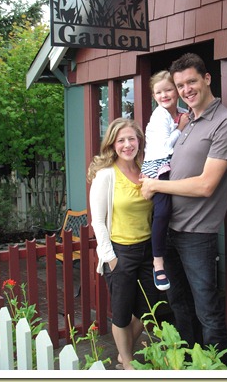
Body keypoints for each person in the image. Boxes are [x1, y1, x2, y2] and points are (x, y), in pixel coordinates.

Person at [140, 53, 227, 365]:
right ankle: (188, 365)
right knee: (179, 303)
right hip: (169, 230)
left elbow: (205, 185)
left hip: (197, 234)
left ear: (207, 79)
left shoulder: (226, 122)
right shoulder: (184, 123)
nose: (185, 89)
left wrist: (156, 185)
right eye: (180, 84)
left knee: (207, 309)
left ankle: (217, 368)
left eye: (191, 82)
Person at [88, 118, 158, 370]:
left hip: (148, 250)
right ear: (113, 145)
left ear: (139, 141)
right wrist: (111, 258)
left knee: (152, 306)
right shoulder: (106, 176)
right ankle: (127, 364)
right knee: (121, 310)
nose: (127, 144)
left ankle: (123, 352)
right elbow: (97, 221)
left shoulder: (146, 171)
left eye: (131, 139)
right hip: (120, 252)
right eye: (121, 140)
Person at [141, 71, 189, 291]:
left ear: (177, 91)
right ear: (154, 96)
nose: (164, 95)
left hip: (171, 165)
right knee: (162, 209)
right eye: (159, 92)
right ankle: (157, 261)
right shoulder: (160, 116)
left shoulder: (181, 111)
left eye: (168, 89)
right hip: (157, 165)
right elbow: (167, 147)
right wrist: (181, 127)